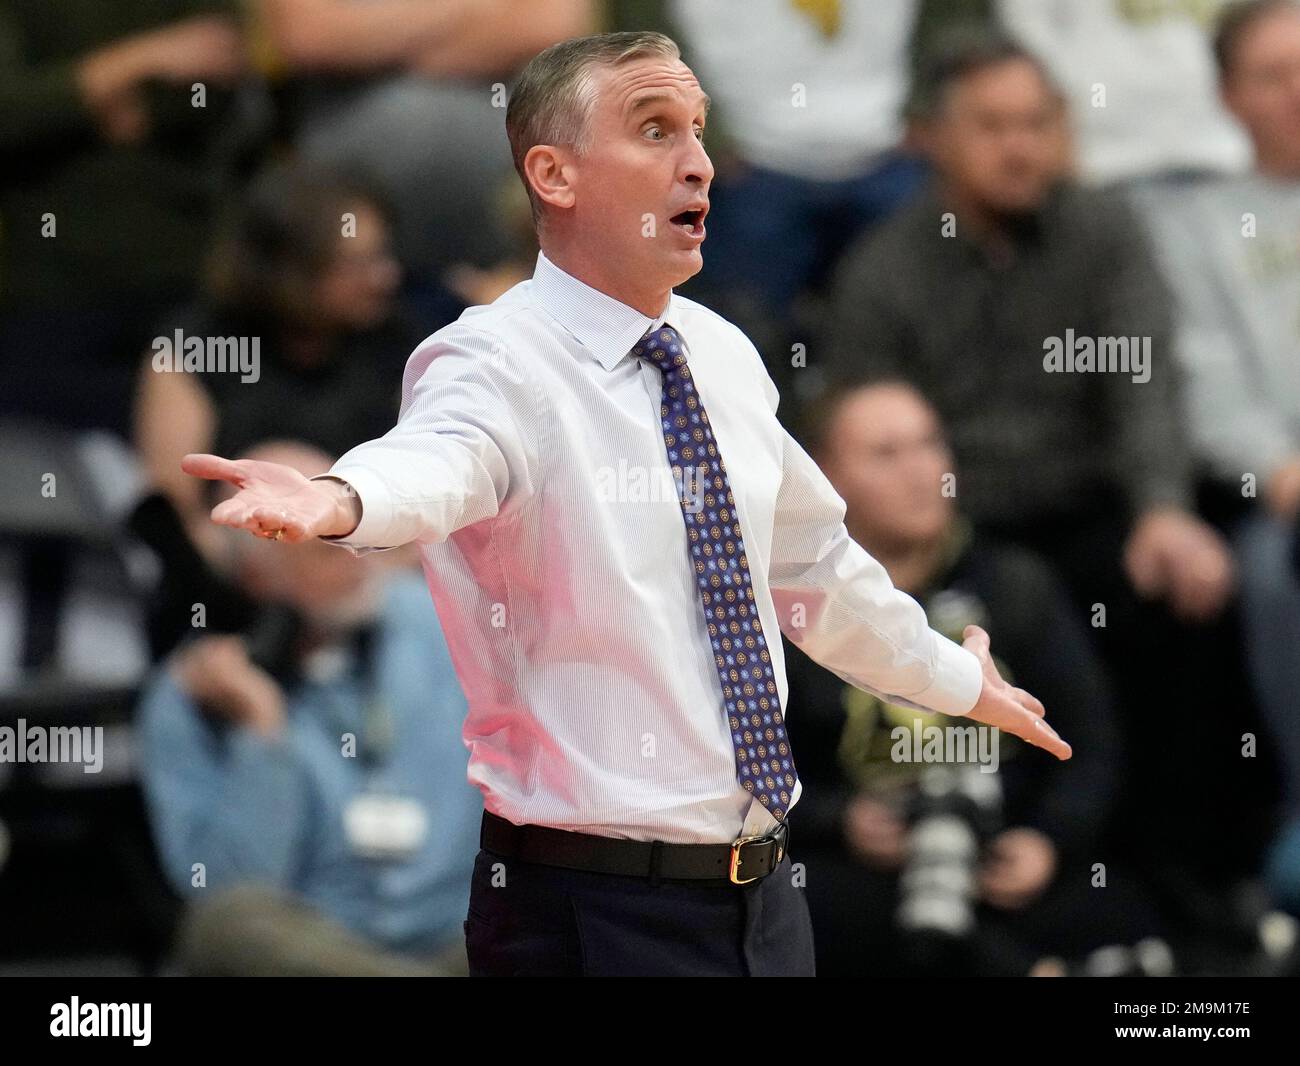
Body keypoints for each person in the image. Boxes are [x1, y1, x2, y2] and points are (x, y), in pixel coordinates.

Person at [181, 31, 1069, 978]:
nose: (700, 162)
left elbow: (812, 569)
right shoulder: (493, 359)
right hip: (591, 905)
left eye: (698, 128)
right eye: (655, 130)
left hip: (764, 895)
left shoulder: (722, 351)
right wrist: (338, 496)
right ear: (554, 175)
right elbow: (436, 462)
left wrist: (954, 681)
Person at [823, 30, 1277, 920]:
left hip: (1094, 509)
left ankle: (1185, 871)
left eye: (1037, 122)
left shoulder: (1105, 232)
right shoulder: (886, 269)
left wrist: (1161, 510)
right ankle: (1002, 860)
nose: (1020, 145)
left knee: (1188, 588)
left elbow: (1147, 381)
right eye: (992, 125)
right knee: (977, 618)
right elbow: (865, 432)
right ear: (935, 139)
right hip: (959, 529)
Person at [783, 381, 1152, 977]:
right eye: (886, 453)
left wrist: (1047, 842)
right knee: (818, 913)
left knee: (1125, 911)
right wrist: (840, 820)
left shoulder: (1017, 586)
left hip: (1003, 853)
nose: (921, 471)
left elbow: (1093, 743)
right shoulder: (794, 606)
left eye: (930, 444)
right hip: (866, 872)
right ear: (823, 476)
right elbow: (755, 765)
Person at [138, 441, 481, 976]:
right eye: (326, 545)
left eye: (355, 534)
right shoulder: (188, 695)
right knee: (226, 925)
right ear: (258, 579)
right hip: (309, 956)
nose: (357, 557)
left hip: (452, 940)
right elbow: (231, 891)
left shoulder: (439, 622)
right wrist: (261, 735)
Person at [1135, 0, 1300, 916]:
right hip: (1279, 494)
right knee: (1274, 571)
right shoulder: (1193, 222)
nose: (1296, 93)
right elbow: (1200, 375)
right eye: (1272, 75)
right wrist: (1278, 468)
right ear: (1231, 98)